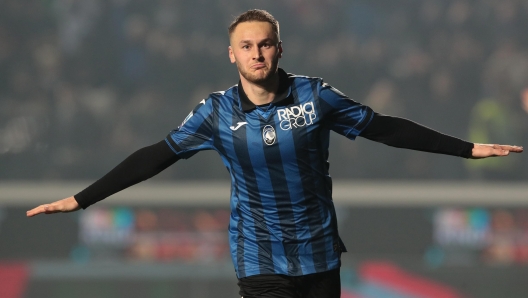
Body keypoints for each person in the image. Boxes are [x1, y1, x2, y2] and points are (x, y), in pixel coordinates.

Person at [27, 9, 523, 298]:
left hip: (320, 254)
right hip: (259, 257)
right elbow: (155, 155)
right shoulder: (215, 111)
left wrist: (466, 149)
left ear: (279, 50)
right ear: (232, 55)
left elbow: (384, 127)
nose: (257, 54)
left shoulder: (315, 96)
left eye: (265, 45)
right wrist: (82, 198)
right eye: (247, 46)